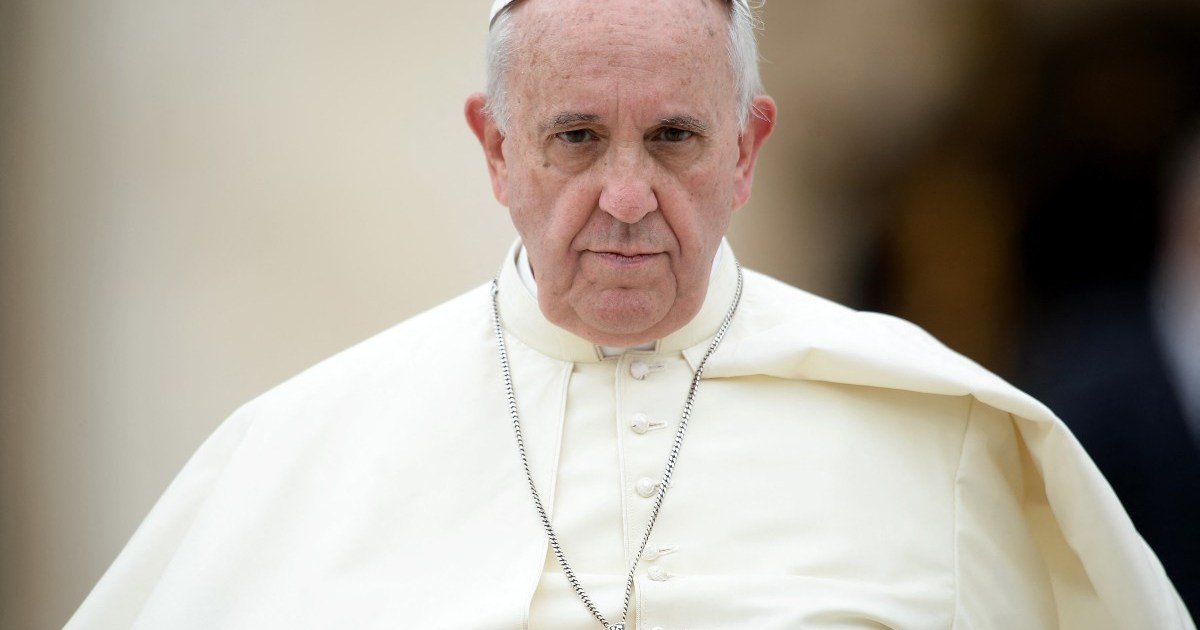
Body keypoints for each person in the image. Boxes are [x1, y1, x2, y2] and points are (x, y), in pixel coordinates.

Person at [68, 0, 1193, 628]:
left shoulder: (939, 434)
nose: (624, 196)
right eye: (573, 138)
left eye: (673, 139)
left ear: (747, 148)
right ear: (495, 148)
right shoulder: (298, 454)